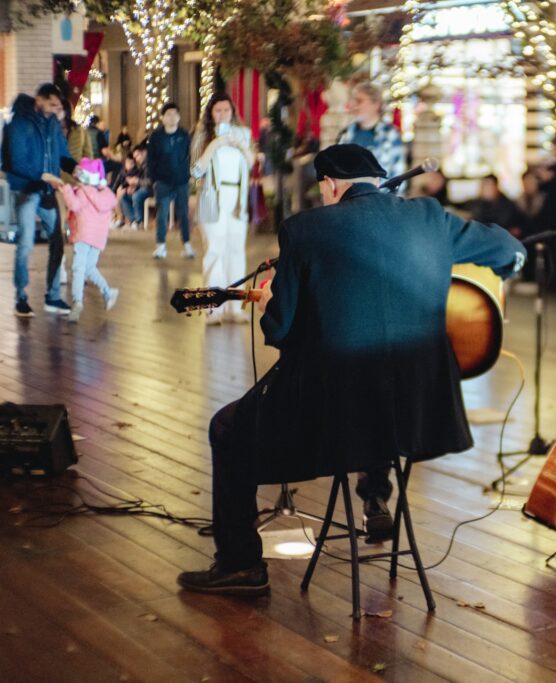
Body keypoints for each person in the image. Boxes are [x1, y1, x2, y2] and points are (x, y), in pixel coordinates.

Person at [175, 145, 526, 596]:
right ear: (378, 181)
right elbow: (509, 252)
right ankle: (375, 494)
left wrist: (271, 304)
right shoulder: (430, 217)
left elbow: (282, 329)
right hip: (417, 413)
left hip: (331, 418)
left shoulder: (305, 230)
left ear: (330, 184)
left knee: (226, 428)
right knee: (373, 382)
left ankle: (240, 563)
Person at [0, 83, 73, 317]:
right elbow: (15, 161)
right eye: (51, 104)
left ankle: (53, 297)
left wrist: (77, 167)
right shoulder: (18, 123)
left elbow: (62, 154)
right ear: (39, 100)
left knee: (58, 241)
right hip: (26, 190)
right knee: (25, 243)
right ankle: (21, 296)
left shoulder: (52, 123)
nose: (55, 109)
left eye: (58, 106)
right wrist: (43, 176)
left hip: (47, 191)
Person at [190, 92, 255, 325]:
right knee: (214, 251)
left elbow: (251, 164)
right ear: (211, 113)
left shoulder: (243, 134)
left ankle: (235, 308)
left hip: (237, 196)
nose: (222, 114)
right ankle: (213, 308)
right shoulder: (202, 136)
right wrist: (214, 145)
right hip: (209, 196)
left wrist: (241, 146)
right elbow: (196, 171)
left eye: (226, 110)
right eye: (218, 110)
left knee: (236, 251)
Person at [47, 159, 119, 323]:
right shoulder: (106, 194)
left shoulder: (82, 192)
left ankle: (77, 302)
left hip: (83, 234)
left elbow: (74, 205)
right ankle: (107, 290)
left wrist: (65, 189)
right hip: (98, 238)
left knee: (79, 268)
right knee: (89, 268)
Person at [148, 102, 194, 259]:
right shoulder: (156, 137)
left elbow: (190, 156)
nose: (172, 117)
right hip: (162, 182)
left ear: (179, 117)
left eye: (175, 114)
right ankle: (160, 246)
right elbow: (150, 159)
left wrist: (189, 175)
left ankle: (187, 244)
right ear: (162, 118)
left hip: (181, 181)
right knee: (162, 214)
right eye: (168, 114)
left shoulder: (184, 135)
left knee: (183, 213)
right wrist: (153, 179)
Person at [336, 83, 404, 184]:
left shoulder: (390, 134)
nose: (354, 105)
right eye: (353, 101)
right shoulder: (345, 134)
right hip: (349, 197)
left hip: (380, 197)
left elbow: (398, 175)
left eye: (359, 101)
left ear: (376, 104)